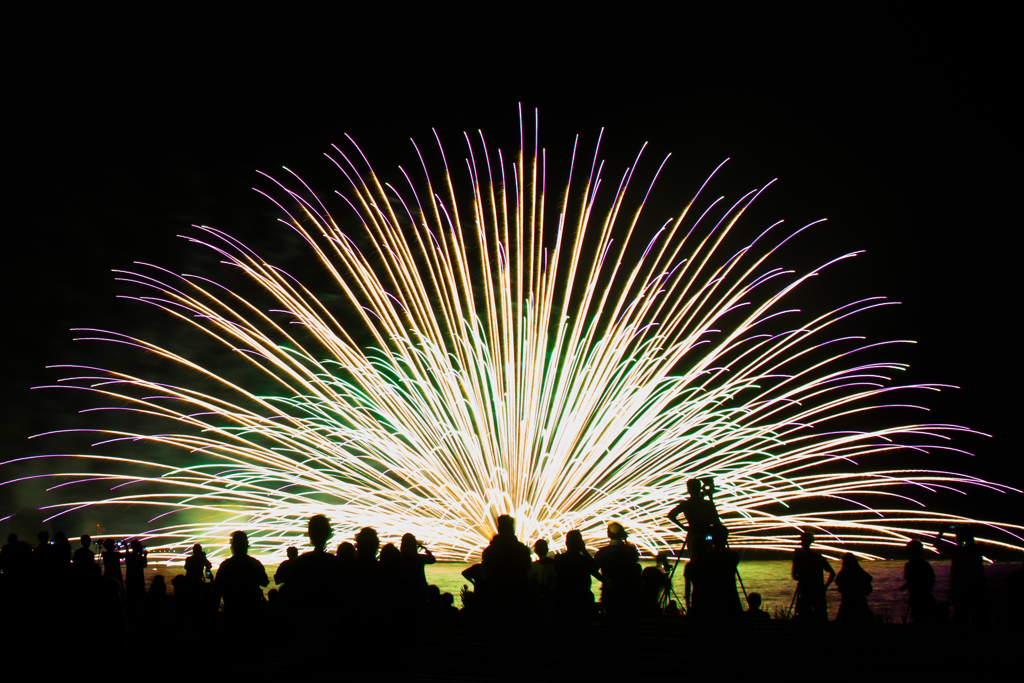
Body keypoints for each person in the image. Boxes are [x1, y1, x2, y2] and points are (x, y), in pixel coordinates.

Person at [479, 515, 532, 626]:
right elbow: (528, 569)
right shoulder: (522, 549)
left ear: (499, 529)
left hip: (496, 596)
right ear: (512, 529)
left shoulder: (490, 551)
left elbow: (484, 570)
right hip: (518, 598)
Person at [934, 523, 988, 627]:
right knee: (978, 620)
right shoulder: (977, 550)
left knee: (961, 620)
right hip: (977, 590)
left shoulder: (958, 551)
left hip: (960, 590)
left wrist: (941, 532)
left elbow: (937, 545)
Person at [214, 530, 269, 631]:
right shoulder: (254, 563)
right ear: (247, 545)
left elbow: (217, 588)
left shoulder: (226, 565)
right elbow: (265, 582)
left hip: (232, 613)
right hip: (253, 613)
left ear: (233, 546)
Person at [553, 530, 602, 627]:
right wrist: (584, 550)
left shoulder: (558, 559)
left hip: (565, 601)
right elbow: (595, 567)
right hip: (582, 601)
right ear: (580, 543)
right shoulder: (584, 561)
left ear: (566, 543)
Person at [594, 522, 640, 622]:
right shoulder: (630, 551)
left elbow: (593, 570)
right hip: (628, 594)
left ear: (608, 535)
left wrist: (605, 580)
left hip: (609, 594)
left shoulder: (602, 552)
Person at [667, 478, 721, 559]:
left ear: (688, 489)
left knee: (694, 559)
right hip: (707, 535)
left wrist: (683, 527)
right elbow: (715, 520)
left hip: (693, 535)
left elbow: (671, 515)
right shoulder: (707, 504)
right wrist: (710, 497)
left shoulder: (685, 504)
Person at [791, 531, 835, 622]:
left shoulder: (798, 557)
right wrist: (825, 587)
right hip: (818, 592)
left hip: (805, 592)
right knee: (822, 619)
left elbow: (794, 576)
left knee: (804, 619)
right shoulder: (818, 557)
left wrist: (803, 578)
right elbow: (832, 573)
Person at [900, 539, 935, 625]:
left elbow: (910, 581)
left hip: (916, 598)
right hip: (927, 597)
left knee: (917, 619)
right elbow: (932, 579)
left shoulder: (909, 565)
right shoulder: (925, 564)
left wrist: (904, 587)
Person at [835, 553, 873, 624]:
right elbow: (869, 578)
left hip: (847, 602)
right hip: (860, 601)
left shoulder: (844, 573)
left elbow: (838, 584)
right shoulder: (859, 571)